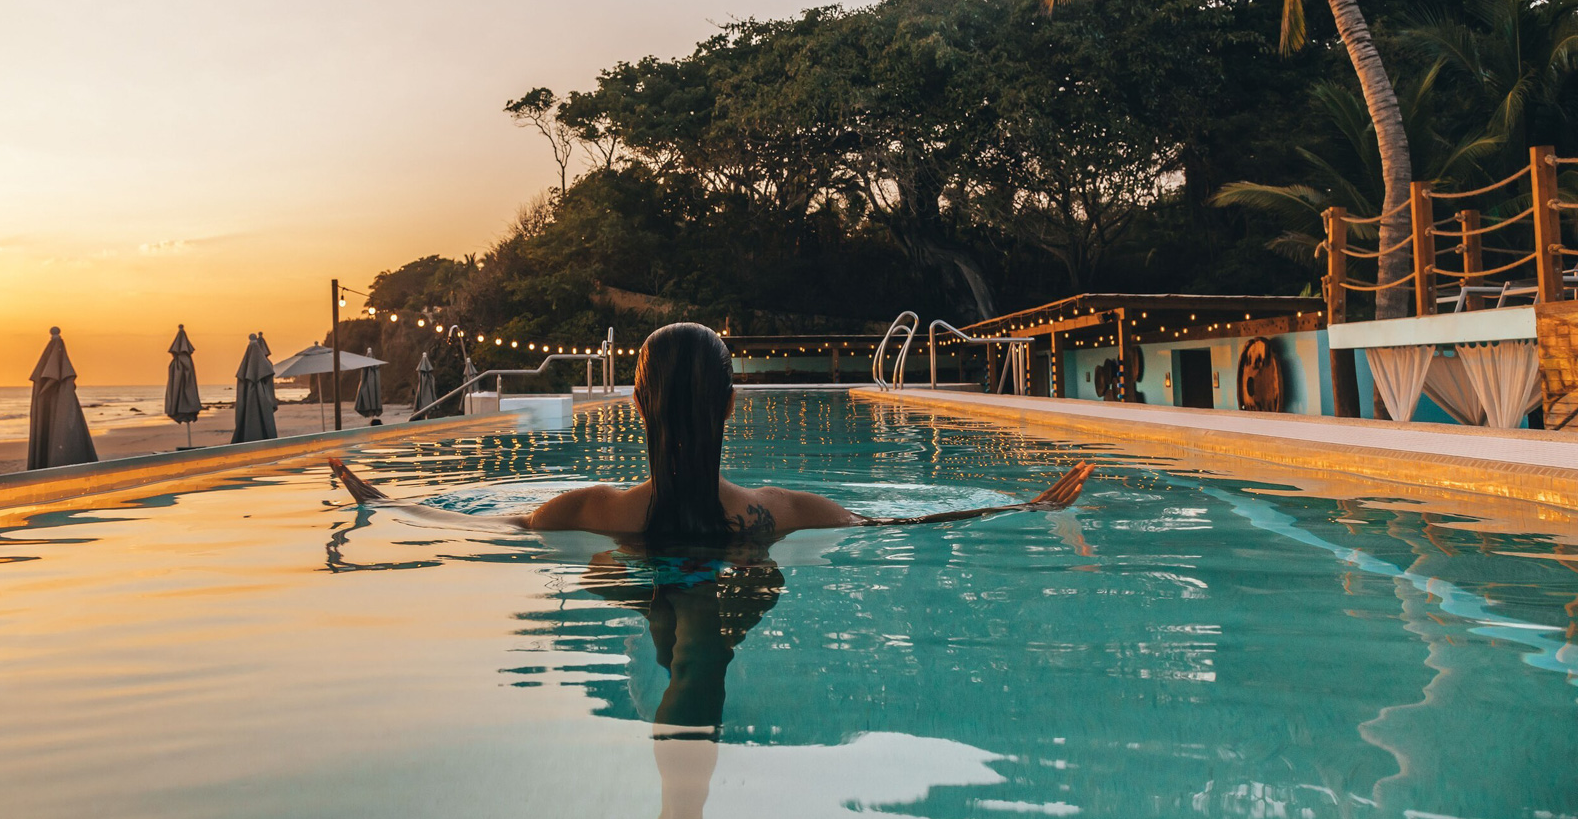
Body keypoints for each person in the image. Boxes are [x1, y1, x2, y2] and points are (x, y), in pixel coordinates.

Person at [328, 320, 1093, 539]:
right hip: (742, 554)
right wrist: (1023, 507)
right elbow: (908, 520)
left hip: (635, 556)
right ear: (732, 405)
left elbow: (479, 524)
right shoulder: (782, 511)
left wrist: (383, 500)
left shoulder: (591, 509)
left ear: (635, 406)